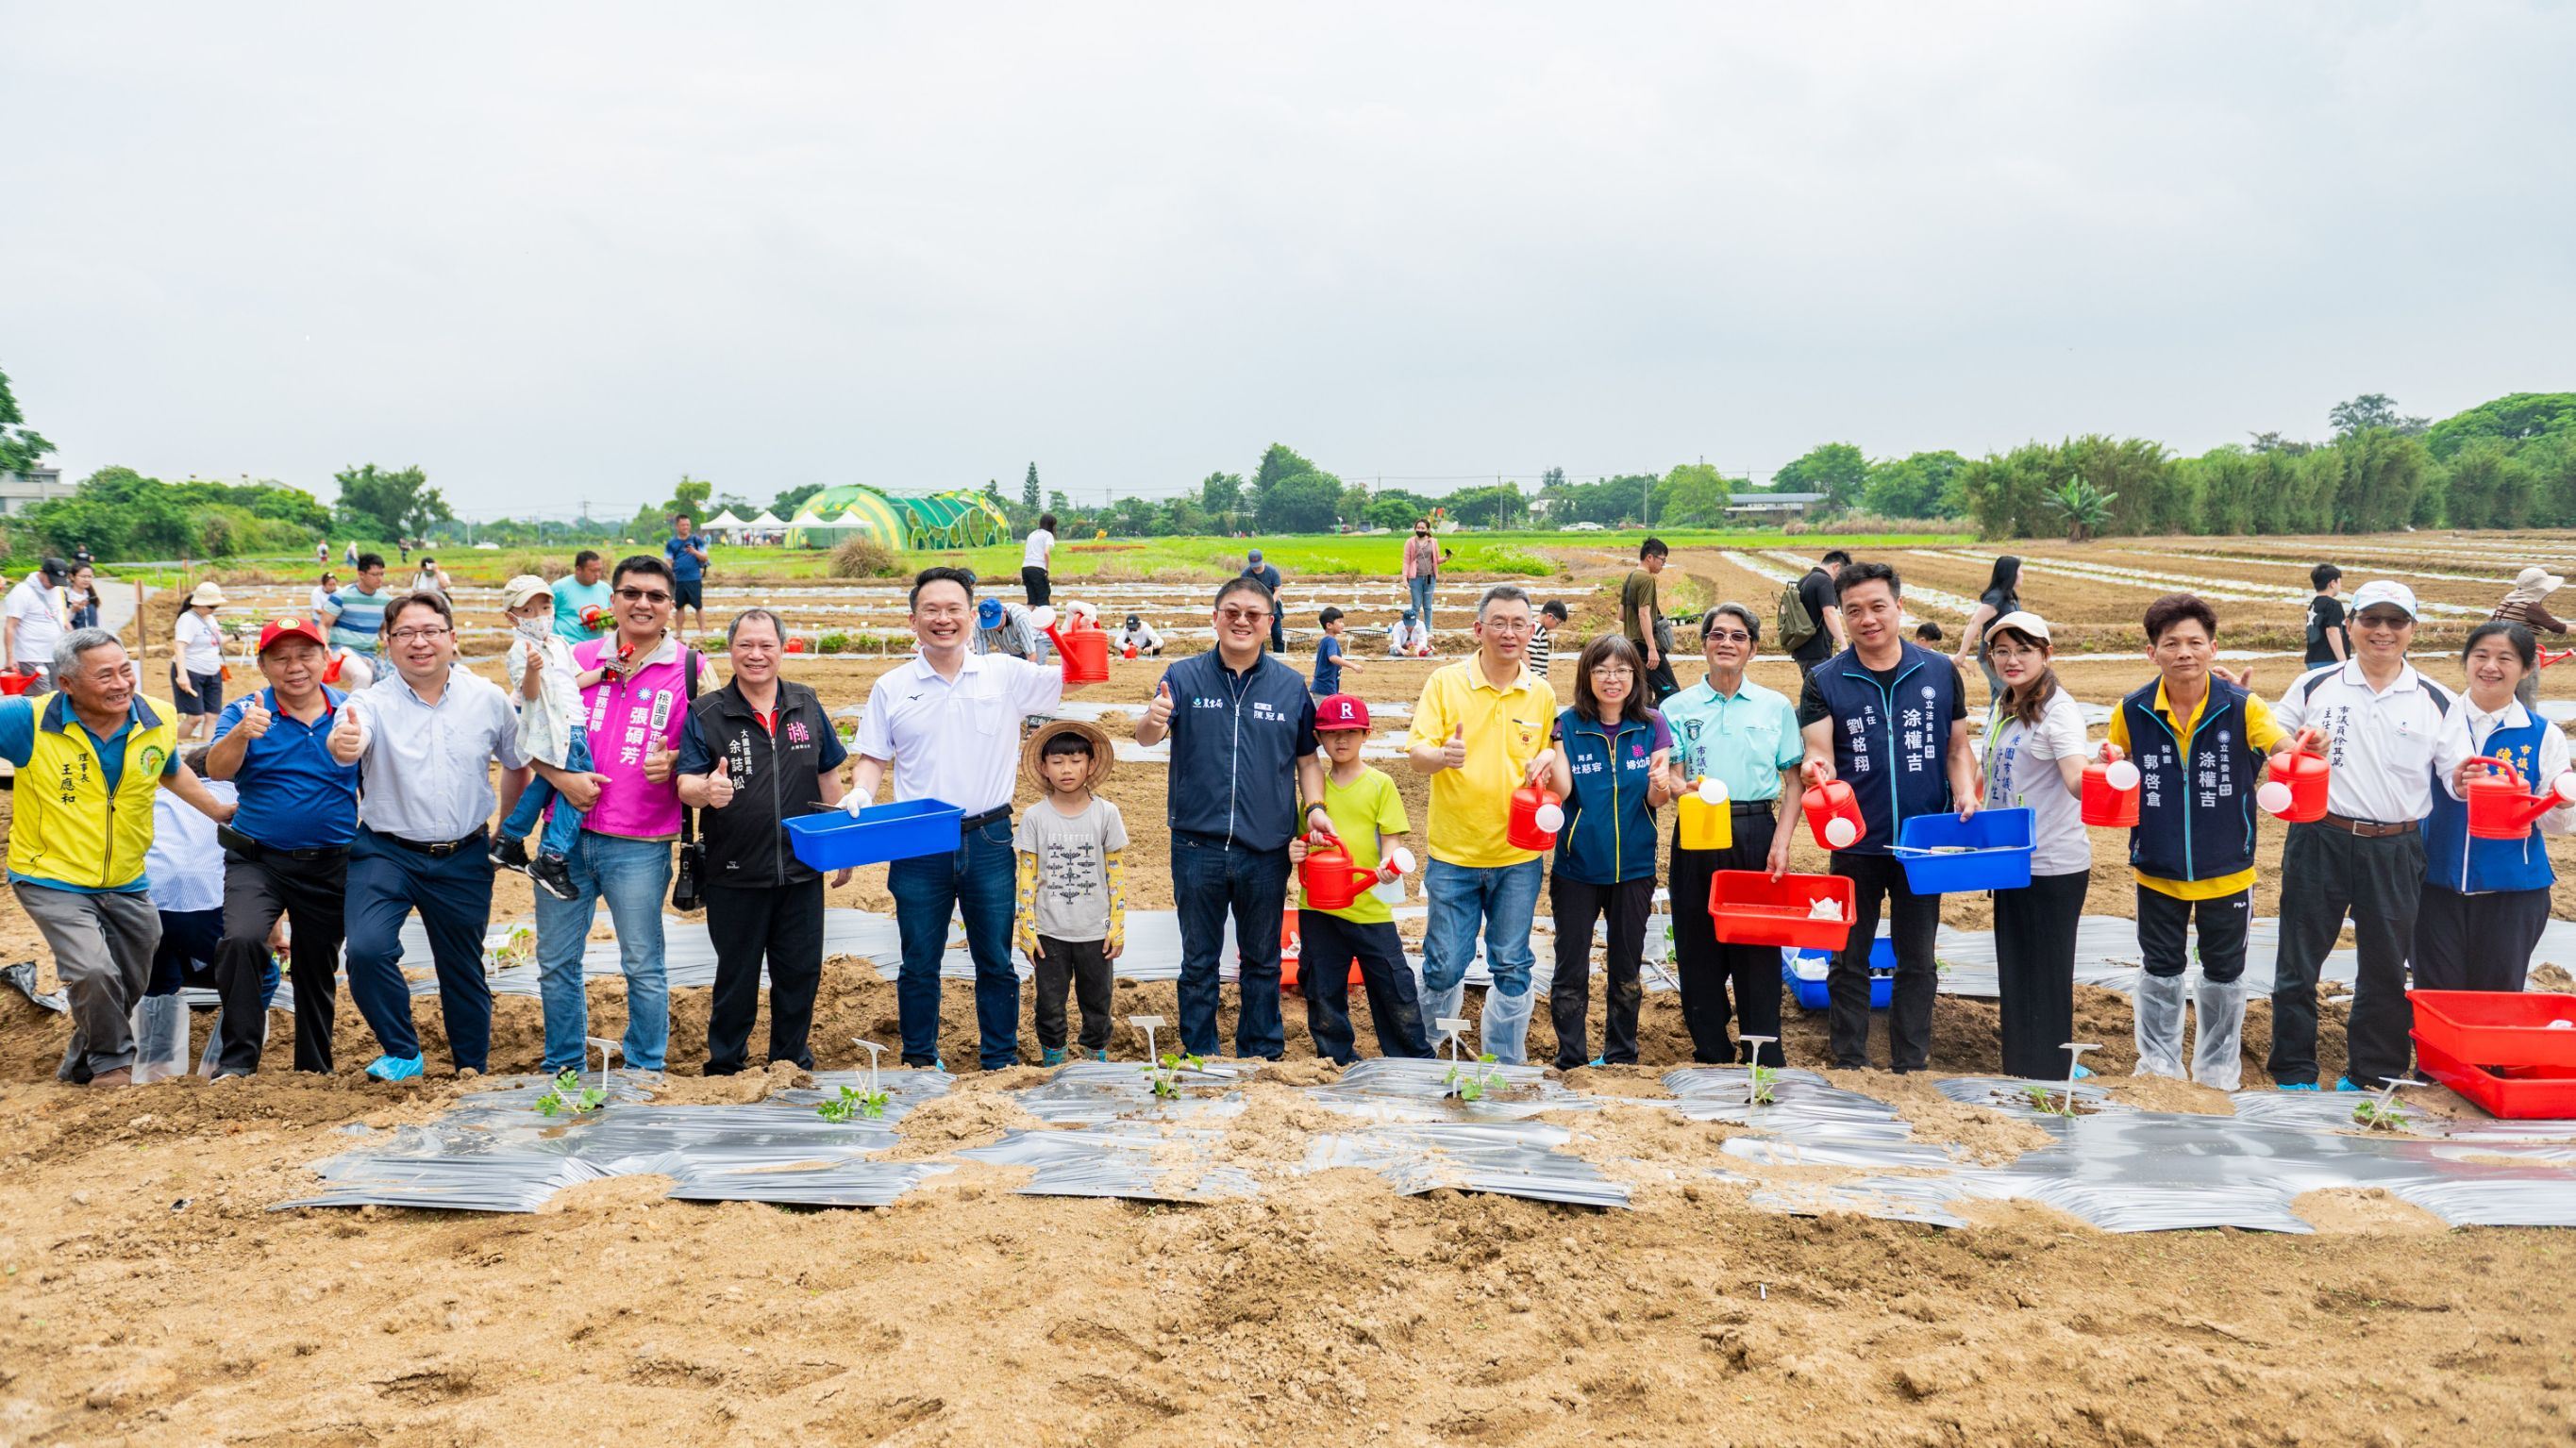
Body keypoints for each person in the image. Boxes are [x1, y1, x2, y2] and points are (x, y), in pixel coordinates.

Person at [851, 567, 1069, 1069]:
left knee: (995, 957)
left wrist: (1071, 627)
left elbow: (1073, 677)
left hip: (989, 836)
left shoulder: (1005, 675)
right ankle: (920, 1060)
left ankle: (999, 1058)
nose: (943, 619)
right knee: (919, 960)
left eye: (954, 610)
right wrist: (859, 793)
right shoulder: (892, 686)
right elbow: (872, 759)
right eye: (931, 610)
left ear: (973, 617)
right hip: (918, 839)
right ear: (913, 619)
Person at [4, 628, 235, 1086]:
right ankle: (112, 1064)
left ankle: (81, 1062)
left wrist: (219, 810)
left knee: (133, 976)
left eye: (125, 670)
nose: (120, 684)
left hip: (127, 877)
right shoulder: (27, 720)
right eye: (104, 675)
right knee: (91, 968)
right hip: (50, 874)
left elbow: (168, 767)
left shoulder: (157, 717)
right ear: (66, 684)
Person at [2100, 593, 2300, 1090]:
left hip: (2227, 868)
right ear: (2153, 653)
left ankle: (2217, 1072)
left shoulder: (2242, 707)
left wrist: (2301, 751)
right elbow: (2115, 763)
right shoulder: (2133, 710)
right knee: (2160, 968)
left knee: (2225, 974)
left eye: (2195, 642)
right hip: (2159, 868)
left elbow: (2281, 748)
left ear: (2213, 648)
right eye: (2171, 643)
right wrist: (2106, 759)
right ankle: (2160, 1068)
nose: (2184, 652)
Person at [334, 591, 532, 1081]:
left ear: (452, 638)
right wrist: (345, 743)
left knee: (461, 968)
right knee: (366, 949)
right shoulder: (369, 702)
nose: (418, 643)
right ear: (387, 643)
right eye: (404, 633)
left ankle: (471, 1070)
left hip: (464, 853)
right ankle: (403, 1051)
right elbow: (347, 742)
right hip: (385, 852)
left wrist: (507, 834)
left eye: (430, 632)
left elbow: (517, 764)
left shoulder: (486, 698)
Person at [1796, 561, 1978, 1074]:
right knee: (1848, 956)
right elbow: (1818, 751)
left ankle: (1911, 1061)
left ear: (1900, 607)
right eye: (1854, 611)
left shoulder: (1939, 671)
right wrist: (1817, 768)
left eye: (1878, 607)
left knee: (1917, 958)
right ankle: (1849, 1060)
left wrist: (1965, 791)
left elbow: (1958, 747)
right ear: (1843, 618)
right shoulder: (1826, 679)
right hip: (1855, 840)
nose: (1867, 619)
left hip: (1923, 843)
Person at [1136, 575, 1328, 1060]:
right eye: (1232, 612)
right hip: (1196, 846)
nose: (1242, 621)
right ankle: (1199, 1052)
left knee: (1261, 959)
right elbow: (1144, 738)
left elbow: (1307, 759)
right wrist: (1154, 718)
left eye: (1253, 615)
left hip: (1265, 849)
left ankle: (1261, 1052)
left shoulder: (1289, 685)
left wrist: (1317, 810)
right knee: (1198, 960)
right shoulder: (1182, 677)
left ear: (1268, 624)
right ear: (1216, 617)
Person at [2271, 581, 2450, 1091]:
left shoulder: (2435, 699)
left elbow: (2456, 773)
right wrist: (2298, 750)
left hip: (2395, 846)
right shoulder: (2314, 686)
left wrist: (2472, 780)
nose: (2383, 631)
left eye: (2396, 622)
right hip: (2319, 837)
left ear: (2412, 631)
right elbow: (2273, 743)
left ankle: (2373, 1073)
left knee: (2386, 968)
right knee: (2298, 962)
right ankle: (2293, 1071)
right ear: (2349, 625)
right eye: (2371, 620)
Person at [528, 556, 697, 1079]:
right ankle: (564, 1064)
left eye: (655, 596)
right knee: (556, 963)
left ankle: (645, 1069)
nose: (642, 604)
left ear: (671, 605)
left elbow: (709, 748)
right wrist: (562, 780)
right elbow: (528, 737)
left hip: (641, 843)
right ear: (612, 601)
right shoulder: (573, 656)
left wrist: (675, 761)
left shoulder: (689, 667)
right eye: (631, 593)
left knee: (643, 965)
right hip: (565, 841)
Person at [677, 608, 853, 1074]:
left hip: (800, 868)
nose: (756, 655)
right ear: (730, 651)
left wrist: (840, 846)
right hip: (735, 871)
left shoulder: (805, 703)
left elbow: (828, 774)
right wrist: (706, 792)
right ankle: (726, 1064)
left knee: (799, 973)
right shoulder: (707, 713)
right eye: (745, 646)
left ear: (781, 648)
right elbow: (686, 785)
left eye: (766, 645)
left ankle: (789, 1061)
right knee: (736, 976)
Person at [205, 617, 363, 1075]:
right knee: (241, 940)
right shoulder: (244, 711)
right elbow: (217, 770)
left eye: (305, 654)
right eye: (281, 657)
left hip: (331, 863)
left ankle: (314, 1068)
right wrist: (241, 734)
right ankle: (237, 1062)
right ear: (263, 664)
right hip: (259, 860)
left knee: (317, 964)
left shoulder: (352, 710)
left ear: (326, 658)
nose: (295, 667)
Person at [1408, 585, 1559, 1064]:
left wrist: (1549, 756)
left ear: (1531, 630)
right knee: (1444, 964)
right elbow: (1417, 754)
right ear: (1479, 629)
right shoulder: (1445, 683)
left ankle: (1504, 1064)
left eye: (1519, 623)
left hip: (1518, 857)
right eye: (1499, 622)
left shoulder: (1540, 693)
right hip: (1455, 855)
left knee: (1513, 963)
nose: (1509, 632)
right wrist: (1442, 755)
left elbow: (1546, 755)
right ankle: (1427, 1051)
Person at [1660, 604, 1802, 1066]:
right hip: (1699, 825)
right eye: (1717, 634)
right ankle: (1711, 1047)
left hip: (1755, 827)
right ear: (1702, 645)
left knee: (1758, 943)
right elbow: (1674, 776)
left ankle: (1764, 1051)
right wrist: (1680, 786)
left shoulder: (1775, 706)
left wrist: (1780, 843)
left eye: (1738, 637)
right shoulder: (1676, 708)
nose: (1726, 643)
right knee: (1697, 937)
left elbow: (1794, 780)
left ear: (1753, 649)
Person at [1542, 635, 1674, 1070]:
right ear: (1587, 676)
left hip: (1634, 867)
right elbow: (1562, 791)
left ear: (1636, 676)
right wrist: (1544, 765)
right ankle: (1571, 1059)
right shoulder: (1567, 724)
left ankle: (1621, 1056)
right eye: (1601, 670)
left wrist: (1660, 786)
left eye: (1621, 670)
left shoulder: (1653, 724)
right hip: (1577, 867)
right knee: (1570, 967)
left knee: (1626, 969)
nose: (1611, 679)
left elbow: (1658, 798)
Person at [2420, 622, 2568, 993]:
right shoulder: (2432, 722)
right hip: (2434, 885)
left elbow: (2555, 824)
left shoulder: (2542, 734)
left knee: (2497, 999)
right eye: (2481, 656)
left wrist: (2563, 802)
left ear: (2527, 668)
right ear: (2466, 661)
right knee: (2437, 998)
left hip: (2514, 893)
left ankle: (2493, 1056)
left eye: (2505, 658)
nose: (2490, 667)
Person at [1977, 612, 2093, 1080]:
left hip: (2052, 865)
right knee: (2016, 973)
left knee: (2044, 978)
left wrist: (2108, 770)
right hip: (2009, 863)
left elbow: (2076, 779)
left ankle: (2048, 1075)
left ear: (2047, 654)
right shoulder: (2005, 703)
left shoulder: (2058, 711)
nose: (2011, 660)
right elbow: (1990, 769)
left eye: (2024, 650)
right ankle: (2020, 1069)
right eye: (2002, 651)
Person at [1287, 694, 1431, 1064]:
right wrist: (1298, 851)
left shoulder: (1380, 785)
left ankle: (1410, 1057)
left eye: (1351, 732)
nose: (1341, 741)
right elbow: (1302, 840)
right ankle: (1336, 1058)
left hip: (1368, 905)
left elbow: (1391, 842)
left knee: (1393, 984)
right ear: (1318, 737)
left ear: (1367, 734)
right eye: (1332, 733)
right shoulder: (1313, 791)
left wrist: (1387, 865)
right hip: (1319, 907)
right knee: (1322, 985)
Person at [1012, 720, 1126, 1066]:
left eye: (1076, 761)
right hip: (1050, 933)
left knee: (1097, 1002)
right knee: (1049, 1004)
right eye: (1058, 762)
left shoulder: (1106, 814)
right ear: (1044, 768)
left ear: (1091, 765)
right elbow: (1027, 876)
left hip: (1096, 931)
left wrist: (1117, 924)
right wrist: (1026, 926)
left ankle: (1095, 1059)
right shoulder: (1035, 817)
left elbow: (1116, 873)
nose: (1067, 769)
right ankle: (1054, 1060)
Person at [490, 576, 603, 902]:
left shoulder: (559, 643)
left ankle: (509, 840)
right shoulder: (520, 652)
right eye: (528, 609)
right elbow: (529, 694)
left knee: (547, 783)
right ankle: (552, 857)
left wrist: (608, 672)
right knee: (579, 789)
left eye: (545, 606)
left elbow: (578, 679)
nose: (540, 614)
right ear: (513, 617)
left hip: (573, 725)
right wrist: (532, 670)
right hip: (556, 729)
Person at [2491, 565, 2568, 712]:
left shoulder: (2506, 602)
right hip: (2522, 655)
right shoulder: (2530, 606)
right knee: (2527, 698)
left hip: (2499, 655)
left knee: (2504, 697)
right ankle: (2529, 730)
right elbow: (2557, 627)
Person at [1954, 555, 2021, 705]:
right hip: (1993, 657)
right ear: (2011, 574)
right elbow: (1974, 622)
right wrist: (1962, 654)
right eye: (2020, 571)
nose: (2022, 575)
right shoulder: (1996, 597)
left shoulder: (2010, 596)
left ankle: (1991, 728)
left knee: (1999, 699)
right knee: (2013, 696)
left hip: (2003, 655)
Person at [1782, 550, 1849, 689]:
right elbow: (1830, 612)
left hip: (1802, 648)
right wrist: (1843, 643)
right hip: (1816, 651)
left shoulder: (1805, 580)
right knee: (1819, 696)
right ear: (1836, 567)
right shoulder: (1824, 581)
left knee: (1815, 692)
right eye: (1842, 576)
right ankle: (1796, 712)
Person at [1621, 538, 1677, 704]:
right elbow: (1644, 614)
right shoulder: (1646, 579)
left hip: (1632, 646)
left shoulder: (1630, 577)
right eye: (1662, 560)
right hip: (1646, 647)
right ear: (1650, 558)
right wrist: (1652, 649)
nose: (1663, 565)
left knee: (1643, 695)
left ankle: (1646, 724)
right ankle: (1659, 726)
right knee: (1670, 692)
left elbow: (1621, 615)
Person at [172, 581, 227, 743]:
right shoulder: (187, 619)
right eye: (211, 606)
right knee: (195, 718)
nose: (213, 610)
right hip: (191, 670)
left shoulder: (210, 619)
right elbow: (179, 646)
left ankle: (207, 752)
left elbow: (216, 641)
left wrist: (236, 636)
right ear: (199, 604)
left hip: (212, 671)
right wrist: (182, 675)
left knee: (213, 716)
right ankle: (169, 744)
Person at [4, 557, 70, 691]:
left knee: (58, 698)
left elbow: (61, 617)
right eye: (51, 580)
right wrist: (10, 657)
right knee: (40, 700)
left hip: (55, 655)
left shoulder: (57, 590)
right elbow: (10, 627)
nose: (53, 584)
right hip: (30, 656)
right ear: (41, 572)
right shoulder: (22, 591)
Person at [321, 553, 393, 665]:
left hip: (370, 653)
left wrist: (385, 638)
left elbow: (382, 629)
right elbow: (324, 625)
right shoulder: (341, 596)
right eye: (374, 574)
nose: (380, 578)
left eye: (382, 574)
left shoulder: (386, 600)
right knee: (363, 676)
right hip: (343, 651)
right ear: (361, 574)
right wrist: (324, 646)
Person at [551, 549, 613, 645]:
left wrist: (604, 621)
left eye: (599, 570)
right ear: (578, 570)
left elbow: (613, 616)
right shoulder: (559, 588)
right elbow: (547, 616)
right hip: (567, 647)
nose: (597, 574)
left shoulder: (606, 589)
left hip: (595, 647)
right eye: (593, 571)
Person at [664, 514, 711, 638]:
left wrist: (694, 552)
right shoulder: (671, 543)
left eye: (688, 525)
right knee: (679, 607)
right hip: (678, 579)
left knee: (698, 606)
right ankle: (679, 632)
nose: (686, 527)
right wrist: (669, 576)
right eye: (683, 525)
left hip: (694, 578)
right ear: (677, 526)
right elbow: (668, 561)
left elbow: (705, 557)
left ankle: (703, 632)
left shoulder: (697, 540)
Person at [2304, 564, 2350, 670]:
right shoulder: (2333, 605)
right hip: (2329, 660)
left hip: (2312, 659)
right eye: (2339, 581)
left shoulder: (2314, 604)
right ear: (2333, 583)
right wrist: (2343, 662)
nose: (2340, 585)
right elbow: (2332, 631)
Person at [1313, 607, 1362, 696]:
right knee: (1323, 710)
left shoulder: (1325, 640)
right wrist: (1353, 665)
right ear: (1329, 625)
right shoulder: (1331, 640)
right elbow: (1333, 658)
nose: (1342, 624)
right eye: (1339, 621)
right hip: (1325, 687)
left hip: (1323, 686)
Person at [972, 596, 1040, 660]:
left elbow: (1031, 654)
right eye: (989, 624)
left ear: (1004, 612)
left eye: (997, 623)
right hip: (1012, 647)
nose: (994, 627)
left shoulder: (1020, 618)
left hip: (1036, 641)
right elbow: (982, 657)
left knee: (1037, 669)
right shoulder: (979, 624)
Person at [1244, 550, 1286, 653]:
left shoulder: (1272, 572)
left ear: (1262, 560)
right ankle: (1259, 656)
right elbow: (1243, 591)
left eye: (1258, 565)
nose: (1256, 568)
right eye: (1254, 566)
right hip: (1254, 606)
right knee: (1257, 633)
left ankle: (1279, 655)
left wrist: (1270, 602)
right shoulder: (1246, 573)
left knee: (1277, 634)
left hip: (1272, 605)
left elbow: (1278, 589)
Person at [1403, 519, 1441, 628]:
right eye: (1418, 528)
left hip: (1429, 577)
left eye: (1422, 528)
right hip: (1415, 578)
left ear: (1427, 529)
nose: (1420, 530)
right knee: (1416, 605)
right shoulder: (1410, 542)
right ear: (1415, 529)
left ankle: (1428, 629)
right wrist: (1405, 579)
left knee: (1428, 606)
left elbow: (1436, 559)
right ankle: (1415, 629)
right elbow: (1406, 561)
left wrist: (1447, 557)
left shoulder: (1433, 542)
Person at [1023, 512, 1058, 607]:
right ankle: (1045, 621)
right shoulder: (1047, 535)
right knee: (1043, 598)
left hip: (1025, 568)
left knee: (1032, 600)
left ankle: (1026, 620)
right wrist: (1046, 568)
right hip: (1037, 568)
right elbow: (1046, 553)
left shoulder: (1032, 534)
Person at [1531, 600, 1567, 681]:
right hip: (1534, 678)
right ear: (1550, 616)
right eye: (1557, 623)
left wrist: (1543, 672)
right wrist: (1527, 675)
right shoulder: (1537, 628)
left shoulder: (1533, 626)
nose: (1556, 626)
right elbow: (1526, 651)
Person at [64, 564, 99, 631]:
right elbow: (61, 621)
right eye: (83, 576)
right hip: (74, 639)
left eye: (89, 576)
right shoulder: (64, 597)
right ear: (72, 577)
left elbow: (98, 621)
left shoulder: (92, 597)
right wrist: (72, 610)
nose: (87, 579)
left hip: (93, 639)